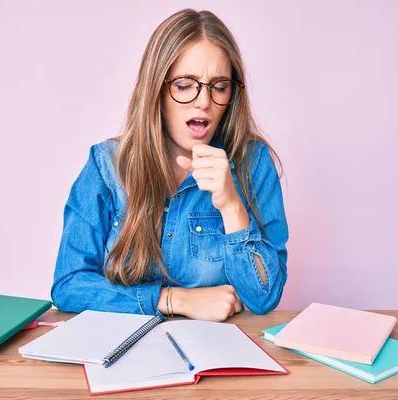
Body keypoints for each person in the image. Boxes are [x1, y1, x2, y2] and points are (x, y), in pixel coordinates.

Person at [50, 8, 289, 322]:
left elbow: (264, 297)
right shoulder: (106, 166)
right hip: (123, 353)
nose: (203, 101)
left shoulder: (253, 164)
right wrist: (173, 300)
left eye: (219, 87)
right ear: (157, 90)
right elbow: (68, 286)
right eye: (185, 85)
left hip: (215, 356)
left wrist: (231, 206)